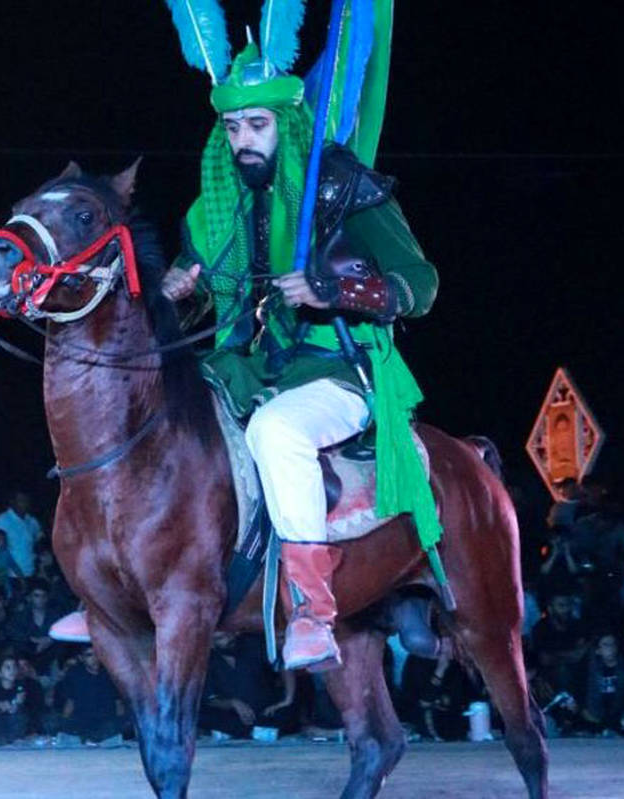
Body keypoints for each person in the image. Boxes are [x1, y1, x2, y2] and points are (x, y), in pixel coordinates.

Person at [154, 34, 439, 671]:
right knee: (167, 415)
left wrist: (332, 287)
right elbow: (203, 295)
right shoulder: (218, 205)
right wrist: (176, 294)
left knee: (277, 431)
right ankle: (130, 590)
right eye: (232, 127)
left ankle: (313, 610)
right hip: (247, 368)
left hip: (339, 370)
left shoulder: (342, 186)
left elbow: (421, 285)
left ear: (285, 120)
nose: (243, 140)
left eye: (257, 124)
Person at [0, 492, 43, 579]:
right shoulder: (2, 521)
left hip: (32, 571)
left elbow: (38, 544)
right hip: (10, 575)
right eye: (21, 500)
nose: (24, 503)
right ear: (12, 502)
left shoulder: (32, 521)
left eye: (26, 500)